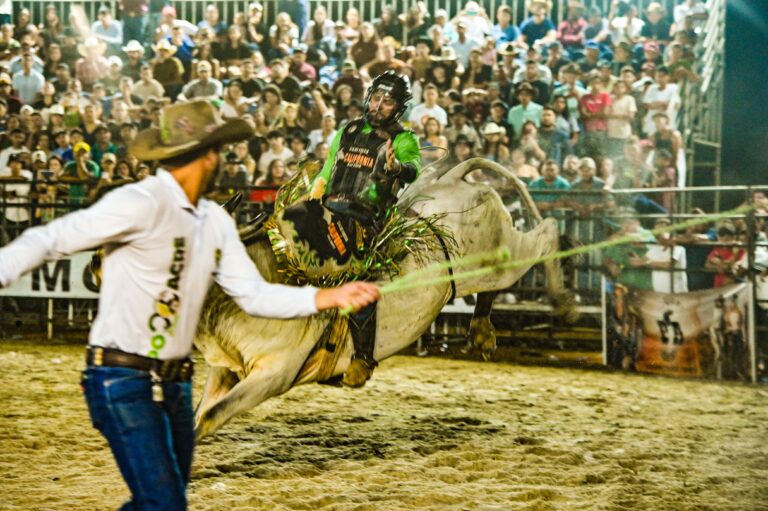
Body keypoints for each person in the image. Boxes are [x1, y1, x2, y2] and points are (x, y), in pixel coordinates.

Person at [0, 99, 379, 511]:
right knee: (164, 502)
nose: (220, 159)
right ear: (205, 155)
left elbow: (252, 293)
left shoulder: (212, 220)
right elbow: (48, 240)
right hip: (122, 377)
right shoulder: (139, 202)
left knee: (160, 499)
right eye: (216, 150)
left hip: (174, 382)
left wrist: (324, 297)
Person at [283, 71, 419, 388]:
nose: (379, 105)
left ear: (399, 108)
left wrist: (397, 167)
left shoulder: (403, 138)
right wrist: (314, 194)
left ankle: (363, 356)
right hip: (330, 206)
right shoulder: (349, 130)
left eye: (388, 101)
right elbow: (328, 168)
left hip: (367, 216)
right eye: (376, 98)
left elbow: (412, 171)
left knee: (354, 270)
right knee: (286, 234)